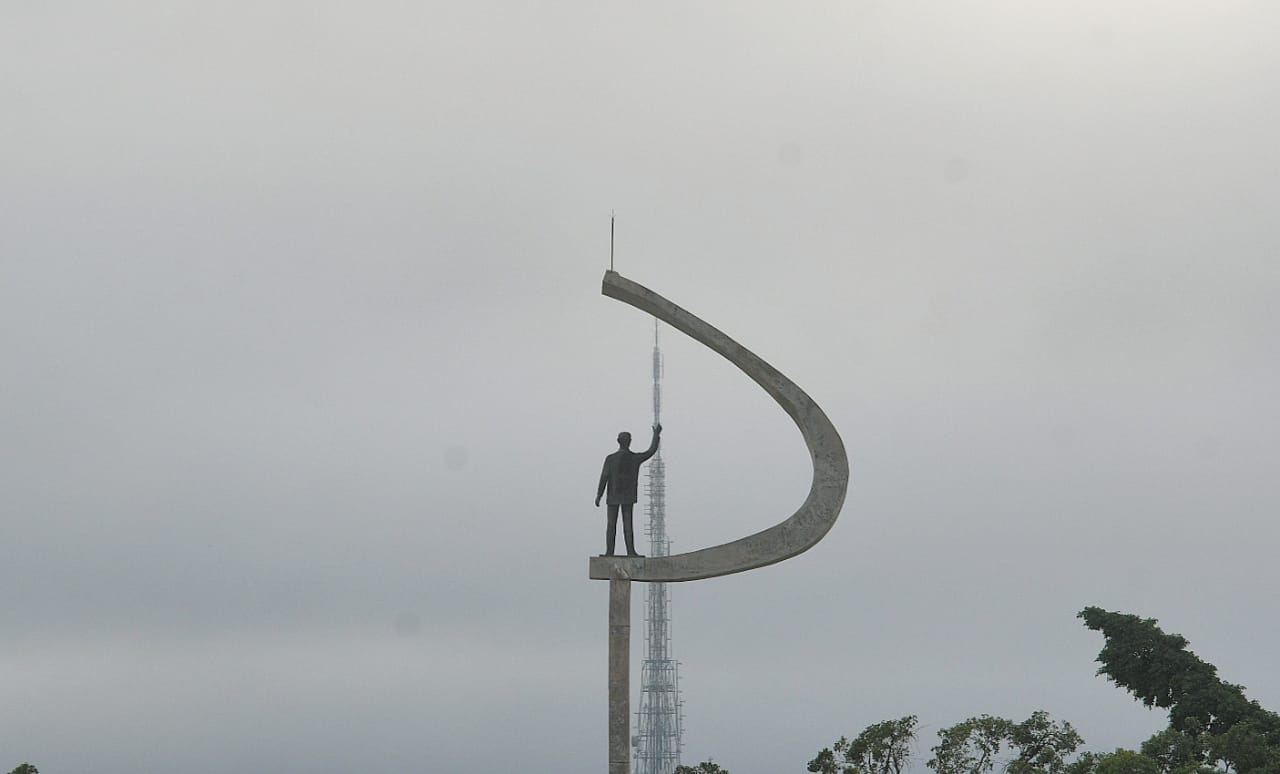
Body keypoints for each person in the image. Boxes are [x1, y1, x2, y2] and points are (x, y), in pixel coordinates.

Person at [595, 423, 662, 557]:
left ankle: (609, 552)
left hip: (613, 496)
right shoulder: (634, 458)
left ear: (618, 441)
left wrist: (599, 495)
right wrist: (656, 434)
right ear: (629, 442)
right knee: (628, 524)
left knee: (611, 525)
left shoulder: (611, 459)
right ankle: (630, 552)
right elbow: (651, 450)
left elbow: (604, 477)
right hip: (627, 496)